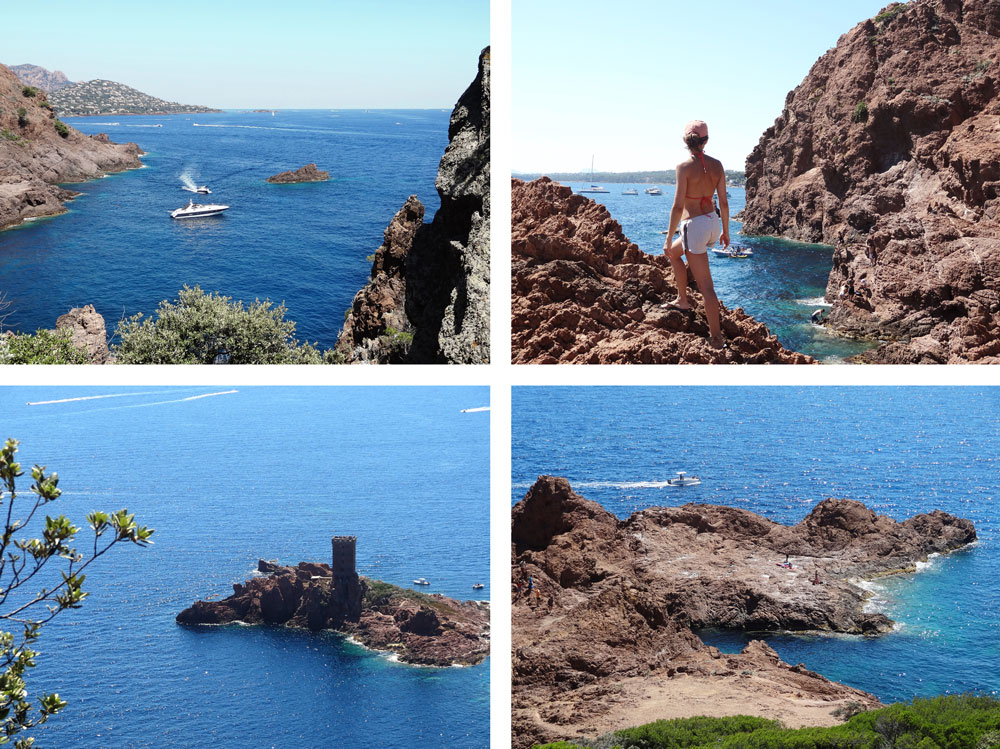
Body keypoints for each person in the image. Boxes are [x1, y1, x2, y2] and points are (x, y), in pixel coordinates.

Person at [662, 120, 730, 348]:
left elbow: (678, 207)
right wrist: (726, 233)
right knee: (673, 253)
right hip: (713, 223)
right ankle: (682, 299)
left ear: (685, 140)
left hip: (695, 226)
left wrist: (668, 235)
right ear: (706, 140)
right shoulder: (717, 165)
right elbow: (723, 202)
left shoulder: (683, 167)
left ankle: (716, 338)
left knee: (706, 287)